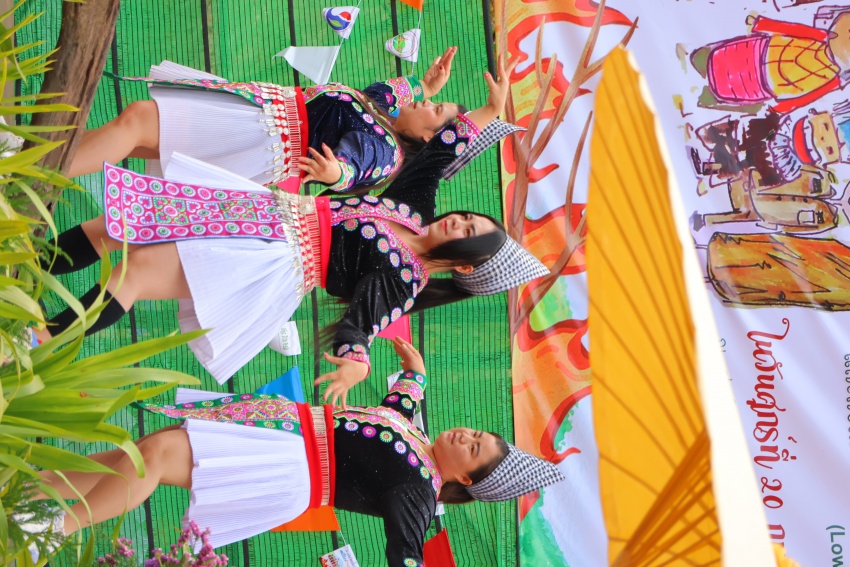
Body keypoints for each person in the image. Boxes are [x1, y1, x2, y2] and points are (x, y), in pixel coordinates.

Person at [38, 55, 549, 401]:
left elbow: (361, 324)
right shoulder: (413, 207)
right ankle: (28, 263)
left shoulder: (405, 280)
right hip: (265, 211)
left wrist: (357, 363)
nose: (459, 221)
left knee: (136, 274)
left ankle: (40, 337)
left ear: (464, 265)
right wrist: (490, 110)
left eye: (467, 232)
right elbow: (439, 153)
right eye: (468, 217)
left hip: (274, 260)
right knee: (121, 224)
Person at [32, 337, 565, 566]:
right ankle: (38, 493)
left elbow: (406, 553)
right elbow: (405, 396)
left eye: (474, 449)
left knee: (154, 458)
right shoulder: (411, 430)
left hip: (291, 466)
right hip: (283, 428)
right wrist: (417, 370)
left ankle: (55, 528)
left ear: (467, 479)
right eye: (476, 433)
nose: (466, 436)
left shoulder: (417, 492)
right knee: (146, 449)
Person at [68, 46, 497, 192]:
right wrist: (425, 86)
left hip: (263, 138)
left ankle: (43, 168)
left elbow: (353, 167)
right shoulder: (382, 114)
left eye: (434, 112)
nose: (426, 105)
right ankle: (45, 162)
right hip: (260, 115)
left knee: (139, 120)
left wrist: (337, 174)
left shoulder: (385, 152)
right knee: (144, 140)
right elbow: (383, 93)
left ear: (430, 139)